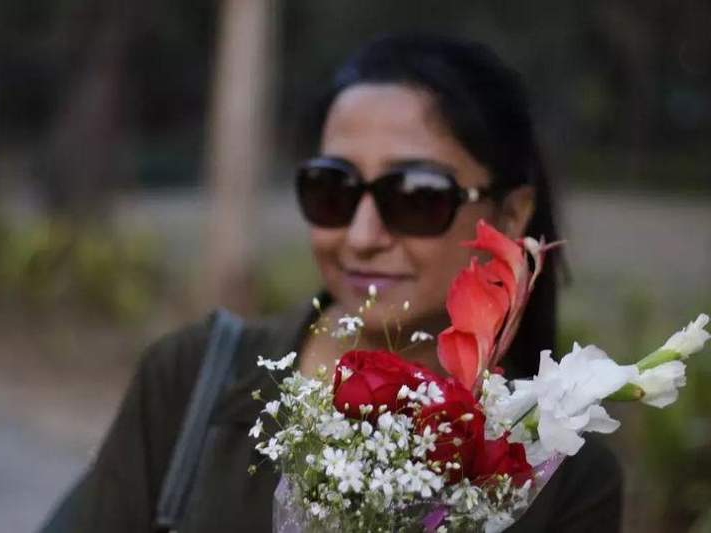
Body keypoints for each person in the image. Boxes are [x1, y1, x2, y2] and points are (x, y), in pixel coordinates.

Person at [40, 33, 622, 532]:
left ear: (511, 215)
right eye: (333, 189)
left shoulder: (562, 471)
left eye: (416, 196)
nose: (362, 236)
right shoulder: (192, 381)